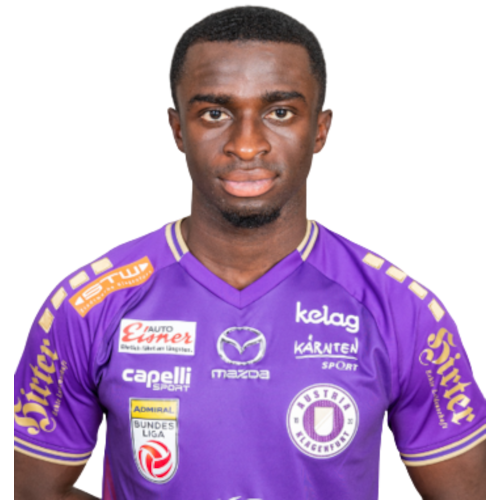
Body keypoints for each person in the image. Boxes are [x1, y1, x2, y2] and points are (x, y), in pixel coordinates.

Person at [14, 5, 486, 499]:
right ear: (178, 129)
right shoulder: (89, 303)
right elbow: (33, 493)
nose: (246, 144)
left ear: (320, 130)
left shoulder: (401, 308)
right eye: (214, 113)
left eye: (279, 112)